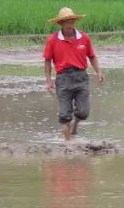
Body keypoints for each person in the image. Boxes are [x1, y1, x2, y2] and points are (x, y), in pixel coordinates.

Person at [43, 7, 105, 141]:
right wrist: (49, 81)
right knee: (65, 115)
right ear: (61, 23)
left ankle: (75, 126)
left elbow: (92, 56)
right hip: (63, 79)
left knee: (83, 112)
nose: (70, 23)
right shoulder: (52, 40)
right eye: (67, 21)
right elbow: (47, 61)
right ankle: (68, 145)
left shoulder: (84, 38)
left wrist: (98, 71)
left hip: (81, 77)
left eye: (72, 20)